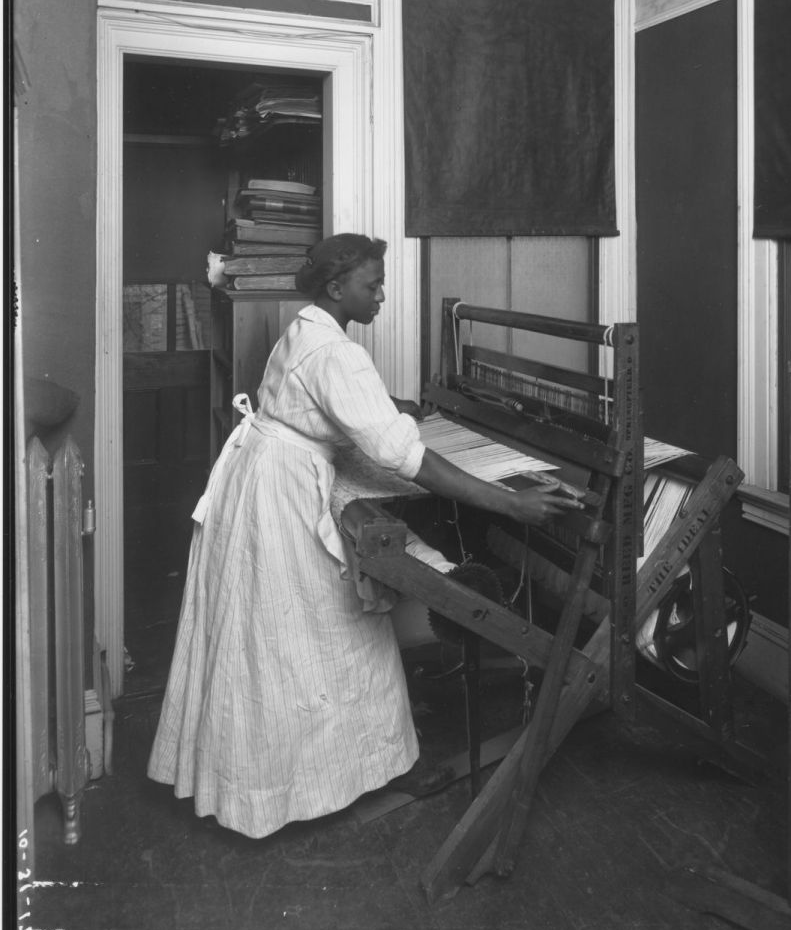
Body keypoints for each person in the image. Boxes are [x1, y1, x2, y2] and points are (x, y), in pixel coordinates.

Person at [148, 233, 579, 839]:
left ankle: (311, 776)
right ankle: (309, 783)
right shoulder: (338, 355)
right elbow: (408, 460)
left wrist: (397, 408)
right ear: (336, 288)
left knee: (273, 639)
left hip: (260, 478)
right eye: (371, 285)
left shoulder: (307, 328)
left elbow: (330, 409)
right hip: (281, 495)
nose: (381, 295)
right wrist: (510, 502)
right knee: (321, 633)